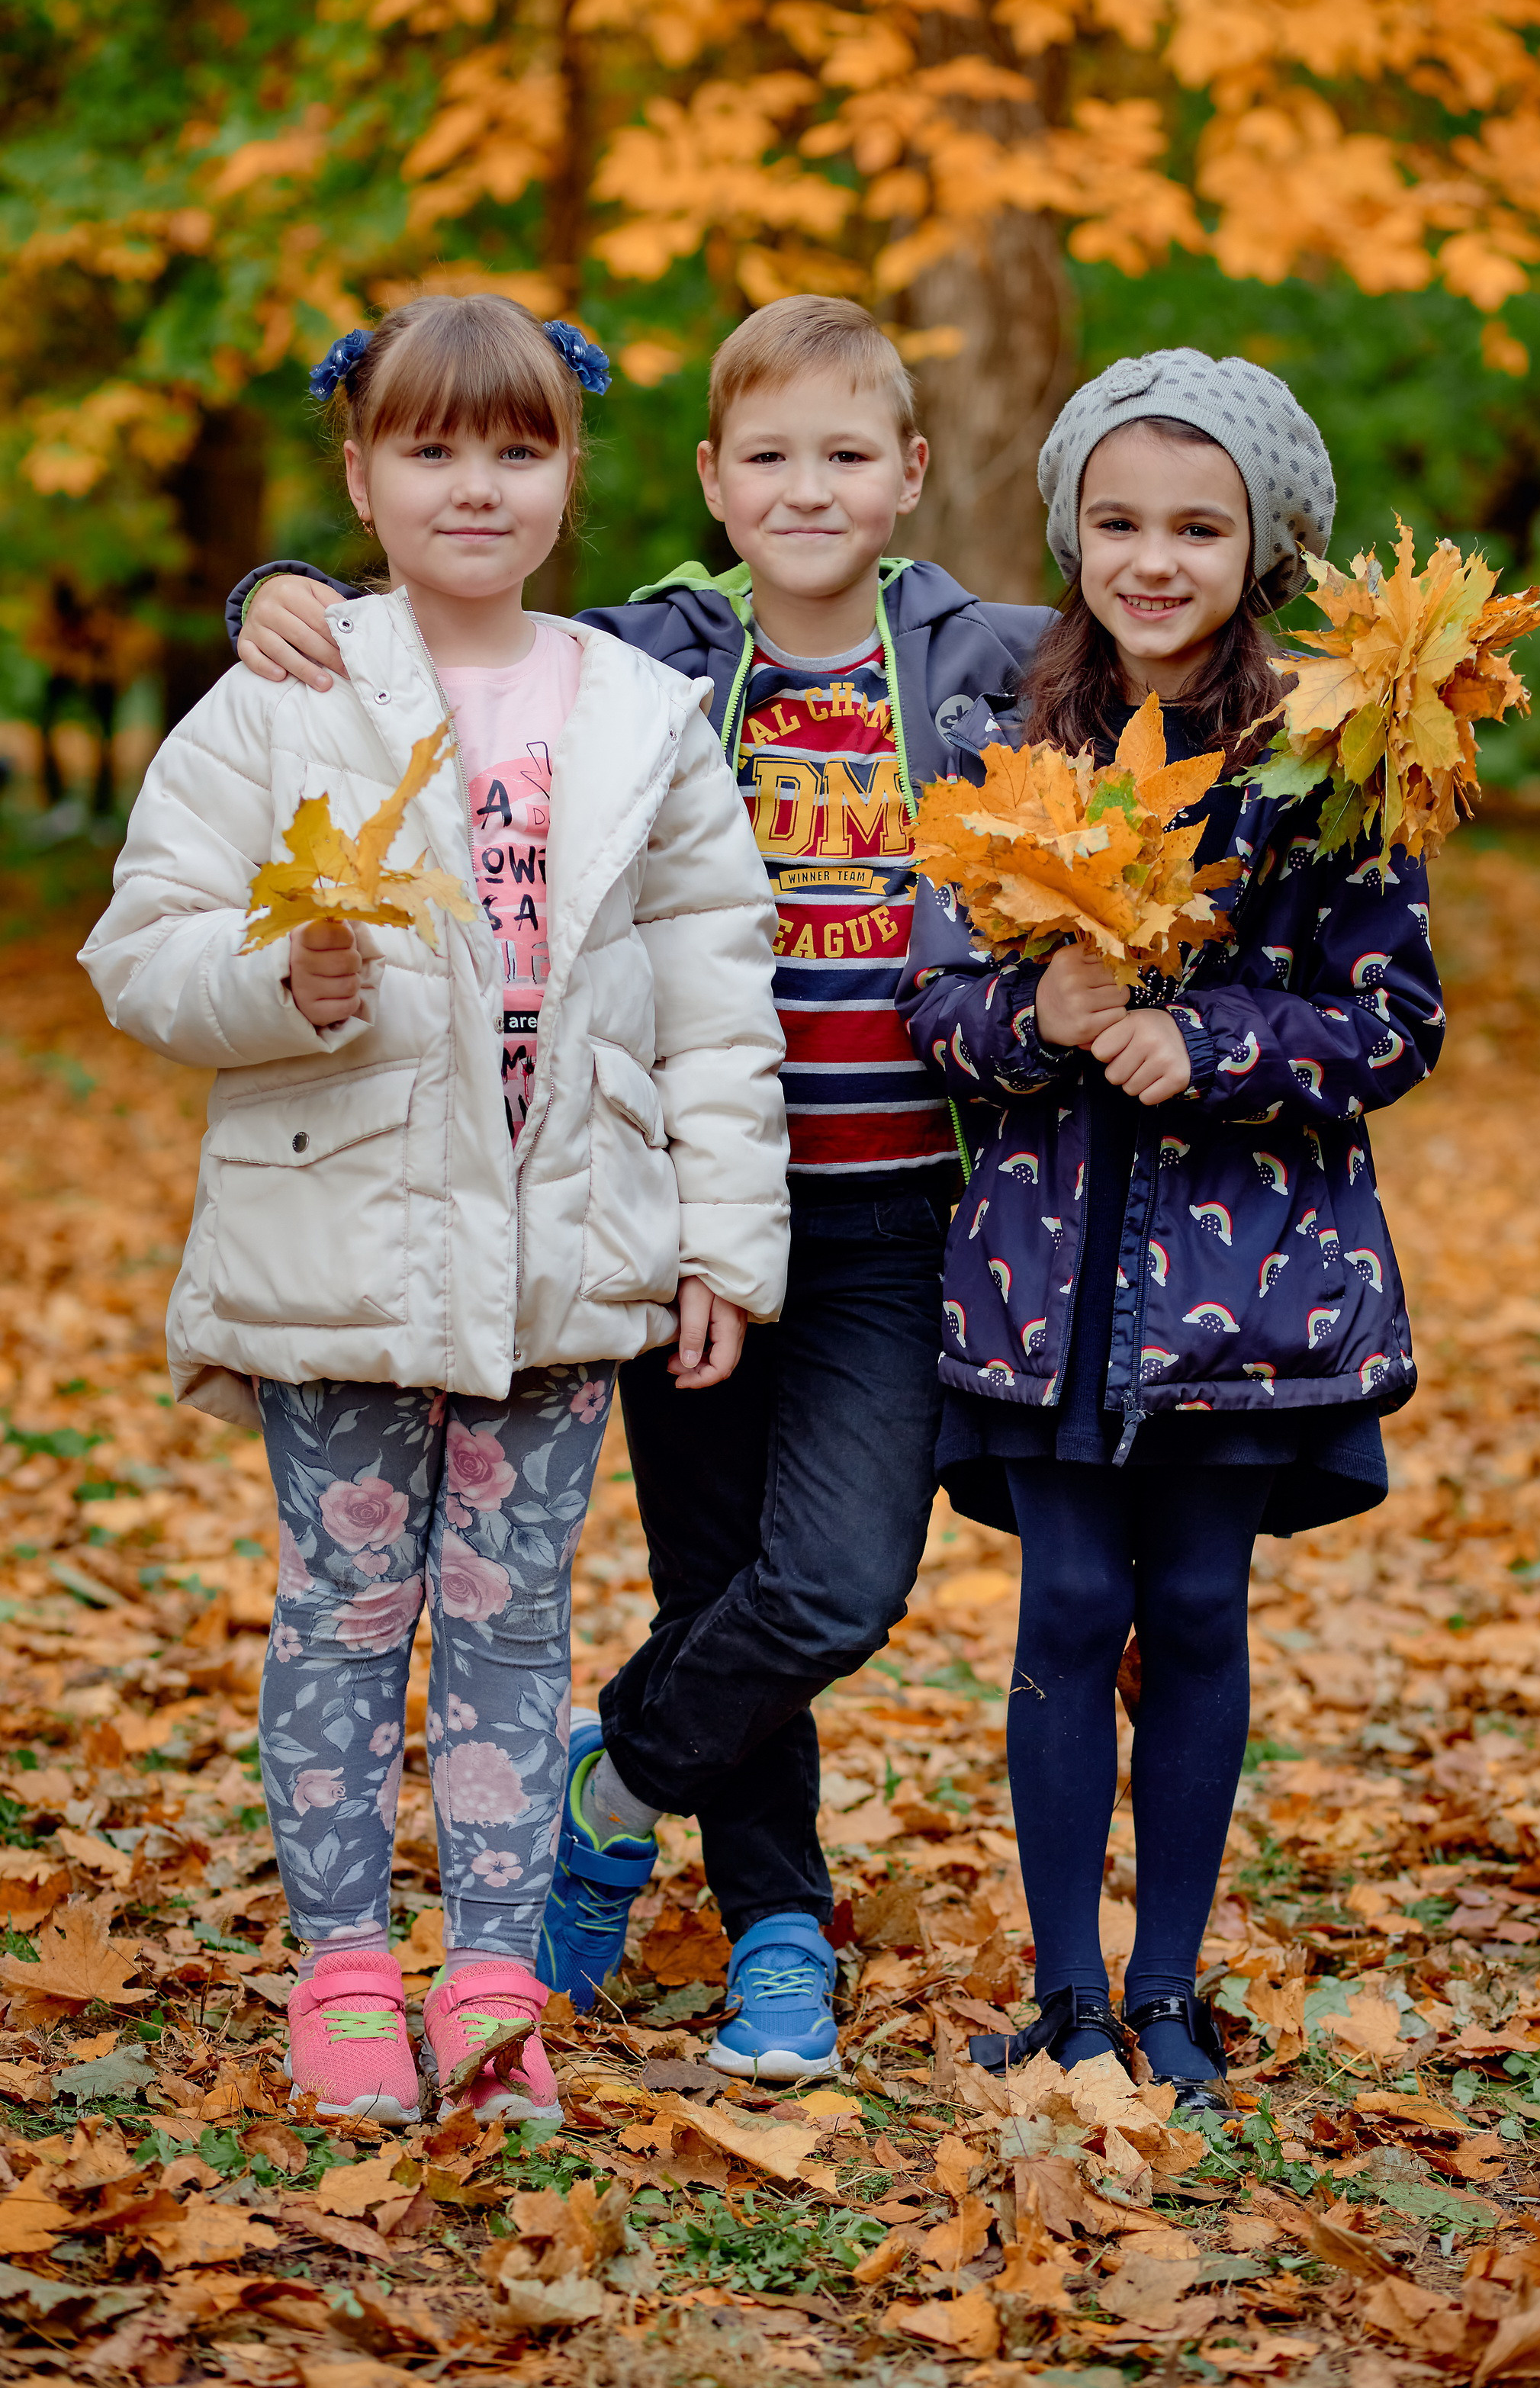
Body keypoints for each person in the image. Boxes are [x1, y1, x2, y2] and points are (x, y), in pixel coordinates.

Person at [207, 297, 1054, 2080]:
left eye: (847, 456)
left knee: (826, 1589)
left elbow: (1167, 652)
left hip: (895, 1209)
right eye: (768, 458)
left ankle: (620, 1771)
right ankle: (772, 1938)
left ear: (910, 474)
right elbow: (449, 622)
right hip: (656, 1213)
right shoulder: (649, 659)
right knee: (707, 1577)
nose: (806, 491)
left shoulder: (986, 661)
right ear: (705, 481)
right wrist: (261, 594)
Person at [80, 294, 789, 2126]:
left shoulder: (641, 712)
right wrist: (279, 983)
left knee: (508, 1618)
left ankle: (490, 1976)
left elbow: (719, 994)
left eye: (519, 447)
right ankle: (338, 1968)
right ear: (359, 474)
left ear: (569, 474)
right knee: (342, 1607)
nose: (475, 486)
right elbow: (145, 943)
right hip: (346, 1234)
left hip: (561, 1249)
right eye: (431, 448)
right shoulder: (284, 693)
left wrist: (724, 1234)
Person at [899, 350, 1445, 2106]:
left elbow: (1392, 1019)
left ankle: (1170, 1993)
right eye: (1118, 521)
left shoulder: (1330, 759)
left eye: (1196, 526)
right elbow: (937, 1007)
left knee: (1196, 1605)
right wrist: (1033, 1021)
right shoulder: (1012, 733)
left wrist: (1210, 1041)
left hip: (1248, 1279)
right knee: (1065, 1600)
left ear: (1261, 544)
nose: (1153, 557)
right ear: (1072, 532)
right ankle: (1063, 1991)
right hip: (1043, 1272)